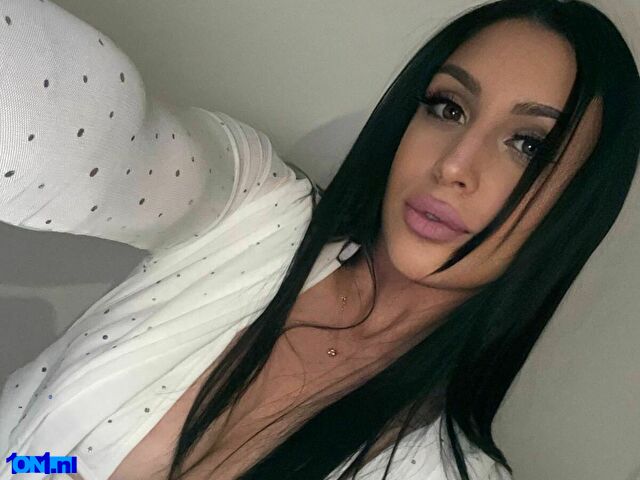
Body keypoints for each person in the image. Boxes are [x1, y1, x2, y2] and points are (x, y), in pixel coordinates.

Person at [0, 0, 638, 479]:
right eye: (448, 108)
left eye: (529, 145)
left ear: (578, 203)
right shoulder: (254, 210)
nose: (453, 166)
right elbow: (61, 131)